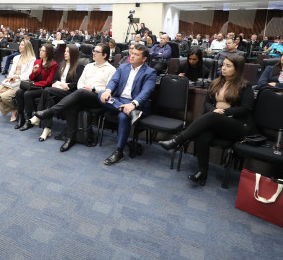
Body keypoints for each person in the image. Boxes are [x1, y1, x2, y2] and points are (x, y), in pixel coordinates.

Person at [159, 55, 255, 185]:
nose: (223, 68)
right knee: (203, 135)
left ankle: (178, 140)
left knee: (212, 116)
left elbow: (246, 109)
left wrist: (224, 112)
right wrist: (214, 110)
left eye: (228, 66)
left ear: (237, 69)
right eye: (223, 65)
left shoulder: (245, 85)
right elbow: (207, 104)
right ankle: (202, 172)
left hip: (236, 125)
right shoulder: (216, 82)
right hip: (216, 122)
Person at [32, 43, 116, 152]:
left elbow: (109, 89)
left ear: (104, 55)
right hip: (81, 94)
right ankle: (70, 138)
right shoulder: (89, 66)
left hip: (96, 97)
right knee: (70, 101)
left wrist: (93, 88)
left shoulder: (111, 69)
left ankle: (50, 111)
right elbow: (80, 83)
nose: (93, 53)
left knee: (79, 93)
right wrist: (83, 88)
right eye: (93, 51)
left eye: (96, 52)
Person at [100, 44, 157, 165]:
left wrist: (133, 104)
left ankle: (119, 151)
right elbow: (114, 81)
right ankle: (128, 111)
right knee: (101, 94)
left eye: (136, 54)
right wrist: (108, 91)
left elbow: (146, 92)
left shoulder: (150, 72)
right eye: (132, 53)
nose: (132, 56)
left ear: (144, 58)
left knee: (123, 116)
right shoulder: (123, 67)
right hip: (119, 101)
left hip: (136, 104)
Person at [29, 45, 82, 141]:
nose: (65, 53)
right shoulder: (62, 64)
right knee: (50, 100)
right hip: (58, 90)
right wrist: (59, 84)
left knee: (47, 90)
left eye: (67, 52)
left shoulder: (78, 67)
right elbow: (55, 79)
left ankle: (38, 117)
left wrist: (67, 85)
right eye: (65, 51)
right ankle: (47, 129)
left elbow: (77, 83)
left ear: (73, 54)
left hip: (69, 94)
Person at [15, 44, 58, 130]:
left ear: (48, 53)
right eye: (40, 50)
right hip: (34, 86)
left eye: (43, 51)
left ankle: (28, 120)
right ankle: (21, 116)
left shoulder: (53, 64)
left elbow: (49, 82)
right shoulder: (37, 62)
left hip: (44, 88)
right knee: (19, 92)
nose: (40, 52)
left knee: (27, 94)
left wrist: (35, 84)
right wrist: (34, 72)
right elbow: (31, 78)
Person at [0, 39, 36, 121]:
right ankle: (14, 109)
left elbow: (29, 76)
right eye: (20, 44)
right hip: (13, 81)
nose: (20, 46)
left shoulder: (32, 59)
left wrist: (16, 76)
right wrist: (10, 76)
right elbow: (12, 70)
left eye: (22, 45)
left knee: (4, 97)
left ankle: (15, 109)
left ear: (27, 47)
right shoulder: (16, 57)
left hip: (23, 82)